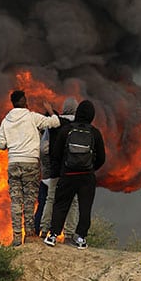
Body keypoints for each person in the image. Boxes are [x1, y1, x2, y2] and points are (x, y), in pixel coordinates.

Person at [0, 89, 60, 246]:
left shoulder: (6, 121)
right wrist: (51, 111)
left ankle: (17, 237)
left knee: (16, 200)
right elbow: (55, 123)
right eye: (25, 100)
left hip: (13, 163)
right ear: (23, 102)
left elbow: (0, 145)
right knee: (30, 200)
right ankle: (29, 233)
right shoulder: (32, 117)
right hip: (30, 163)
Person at [45, 100, 106, 249]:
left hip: (68, 174)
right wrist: (91, 168)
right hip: (87, 177)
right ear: (91, 115)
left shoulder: (66, 130)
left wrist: (63, 169)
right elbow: (102, 158)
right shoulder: (95, 133)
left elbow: (56, 153)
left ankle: (53, 235)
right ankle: (81, 238)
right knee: (85, 208)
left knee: (61, 204)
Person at [39, 97, 80, 241]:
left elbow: (44, 148)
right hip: (72, 170)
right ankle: (69, 235)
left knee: (51, 199)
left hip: (55, 170)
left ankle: (44, 230)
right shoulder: (79, 125)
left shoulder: (55, 122)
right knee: (73, 201)